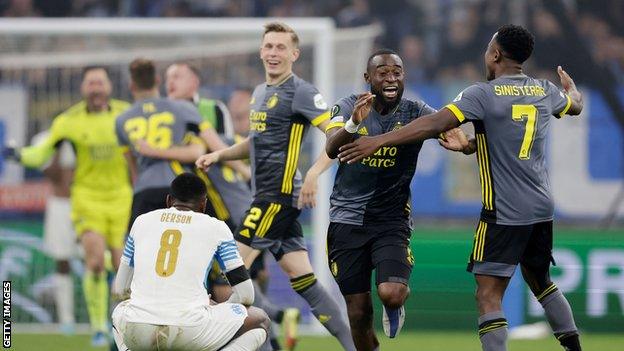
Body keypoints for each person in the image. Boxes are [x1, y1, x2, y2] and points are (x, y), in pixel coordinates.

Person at [337, 24, 584, 351]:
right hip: (541, 210)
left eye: (487, 48)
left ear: (495, 55)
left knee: (488, 294)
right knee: (542, 282)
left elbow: (436, 122)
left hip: (504, 212)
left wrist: (377, 140)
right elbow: (574, 105)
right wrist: (573, 92)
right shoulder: (543, 90)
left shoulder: (481, 93)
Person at [196, 22, 353, 351]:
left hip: (275, 199)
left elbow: (337, 138)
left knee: (226, 275)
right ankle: (358, 346)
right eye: (269, 46)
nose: (273, 53)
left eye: (281, 48)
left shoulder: (302, 91)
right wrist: (220, 155)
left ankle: (234, 341)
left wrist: (312, 175)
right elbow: (256, 143)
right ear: (260, 51)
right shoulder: (259, 93)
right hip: (266, 197)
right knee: (305, 281)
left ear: (294, 54)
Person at [7, 66, 132, 346]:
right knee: (95, 261)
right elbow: (42, 152)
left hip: (121, 198)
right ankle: (98, 327)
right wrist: (16, 154)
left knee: (120, 267)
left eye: (100, 82)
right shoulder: (68, 121)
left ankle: (123, 323)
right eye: (91, 83)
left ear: (109, 87)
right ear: (83, 88)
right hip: (86, 198)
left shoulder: (126, 114)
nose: (96, 87)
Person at [324, 49, 438, 350]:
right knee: (359, 312)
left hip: (391, 219)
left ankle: (394, 306)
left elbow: (448, 128)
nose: (391, 78)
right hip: (346, 220)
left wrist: (462, 143)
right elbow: (330, 149)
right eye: (383, 72)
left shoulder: (416, 111)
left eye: (397, 72)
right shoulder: (350, 106)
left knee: (392, 292)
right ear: (368, 78)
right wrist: (351, 126)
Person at [111, 173, 269, 351]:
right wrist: (214, 307)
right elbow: (246, 294)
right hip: (191, 328)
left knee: (119, 312)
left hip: (138, 329)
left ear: (169, 200)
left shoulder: (141, 222)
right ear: (204, 204)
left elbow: (120, 288)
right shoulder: (216, 227)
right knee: (260, 320)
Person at [115, 58, 208, 231]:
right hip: (180, 187)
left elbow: (133, 171)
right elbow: (199, 150)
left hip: (145, 190)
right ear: (158, 80)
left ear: (131, 86)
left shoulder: (121, 120)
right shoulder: (181, 108)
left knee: (143, 250)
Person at [31, 131, 76, 334]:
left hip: (86, 205)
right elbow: (53, 174)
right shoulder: (44, 141)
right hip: (59, 206)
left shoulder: (85, 135)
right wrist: (58, 148)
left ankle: (101, 317)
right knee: (62, 261)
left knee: (97, 261)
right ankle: (66, 320)